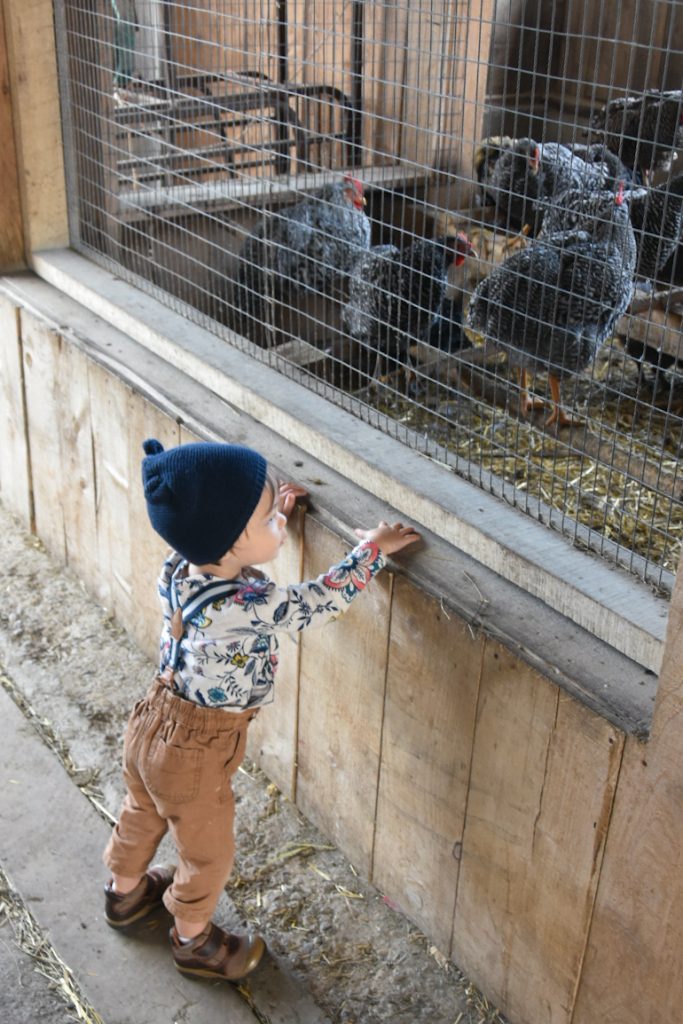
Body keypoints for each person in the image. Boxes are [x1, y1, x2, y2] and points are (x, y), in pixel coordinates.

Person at [103, 437, 420, 982]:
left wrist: (269, 522)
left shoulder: (178, 569)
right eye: (268, 518)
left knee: (142, 810)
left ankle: (124, 893)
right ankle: (193, 939)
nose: (279, 519)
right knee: (207, 851)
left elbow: (225, 544)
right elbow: (319, 599)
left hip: (150, 721)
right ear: (231, 542)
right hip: (197, 751)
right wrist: (373, 547)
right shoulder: (246, 607)